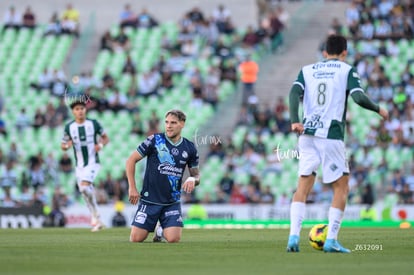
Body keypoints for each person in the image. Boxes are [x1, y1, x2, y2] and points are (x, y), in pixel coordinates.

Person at [286, 34, 389, 253]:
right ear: (344, 53)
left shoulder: (307, 70)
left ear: (324, 53)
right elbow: (359, 98)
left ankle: (293, 238)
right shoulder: (346, 69)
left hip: (306, 133)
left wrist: (295, 120)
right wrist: (379, 109)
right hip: (330, 133)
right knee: (341, 187)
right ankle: (331, 239)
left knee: (302, 187)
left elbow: (294, 92)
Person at [126, 109, 200, 243]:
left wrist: (192, 179)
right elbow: (131, 160)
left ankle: (160, 230)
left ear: (182, 124)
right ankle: (157, 226)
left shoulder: (189, 148)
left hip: (171, 202)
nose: (169, 126)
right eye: (166, 122)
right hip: (149, 200)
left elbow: (197, 176)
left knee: (173, 239)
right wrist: (132, 187)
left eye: (173, 122)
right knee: (136, 239)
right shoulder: (154, 140)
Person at [61, 98, 109, 232]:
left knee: (83, 188)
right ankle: (97, 219)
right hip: (79, 166)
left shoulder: (93, 124)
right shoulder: (69, 127)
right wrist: (66, 146)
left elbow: (105, 138)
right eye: (77, 109)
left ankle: (95, 216)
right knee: (85, 193)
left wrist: (100, 145)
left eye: (82, 108)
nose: (80, 111)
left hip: (93, 163)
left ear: (85, 110)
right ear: (73, 112)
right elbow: (63, 144)